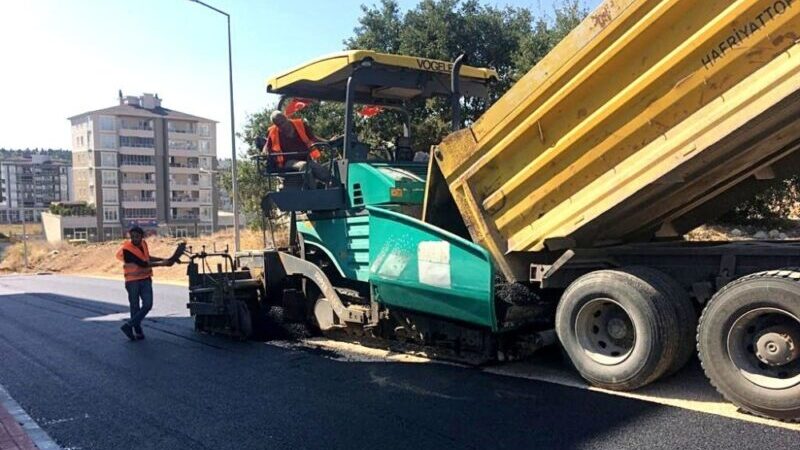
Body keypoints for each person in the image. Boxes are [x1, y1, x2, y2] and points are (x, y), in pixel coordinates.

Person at [115, 226, 175, 341]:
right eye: (132, 237)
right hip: (132, 281)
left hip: (145, 279)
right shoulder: (127, 249)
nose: (134, 239)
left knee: (148, 304)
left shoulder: (144, 244)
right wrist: (163, 263)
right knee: (135, 307)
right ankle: (137, 331)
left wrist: (164, 259)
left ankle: (129, 326)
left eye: (137, 236)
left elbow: (147, 258)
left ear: (141, 236)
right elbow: (142, 264)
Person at [263, 111, 333, 188]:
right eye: (279, 124)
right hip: (287, 162)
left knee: (320, 170)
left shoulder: (300, 125)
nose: (282, 125)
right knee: (304, 166)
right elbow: (266, 147)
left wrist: (328, 142)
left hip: (305, 158)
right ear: (275, 125)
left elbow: (313, 138)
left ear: (286, 117)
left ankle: (332, 186)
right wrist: (265, 150)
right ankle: (314, 191)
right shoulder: (273, 132)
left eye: (282, 122)